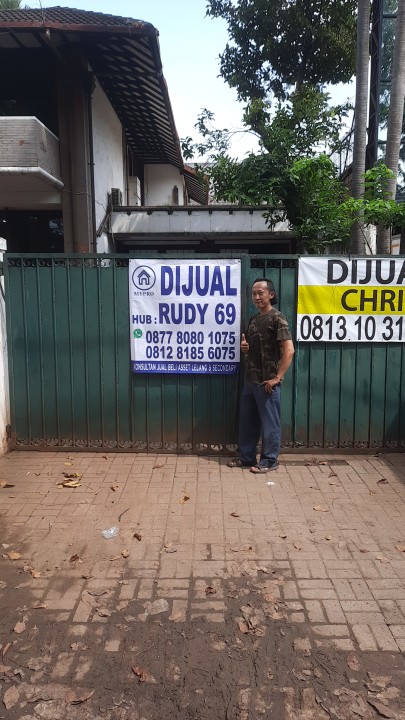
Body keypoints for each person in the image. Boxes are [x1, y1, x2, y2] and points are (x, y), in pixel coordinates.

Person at [228, 278, 295, 474]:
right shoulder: (254, 320)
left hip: (267, 382)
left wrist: (277, 378)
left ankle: (270, 461)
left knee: (270, 424)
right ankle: (247, 457)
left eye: (261, 293)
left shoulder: (278, 318)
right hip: (251, 380)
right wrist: (245, 347)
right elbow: (253, 348)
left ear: (271, 295)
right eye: (254, 293)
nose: (256, 297)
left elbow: (289, 350)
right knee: (248, 422)